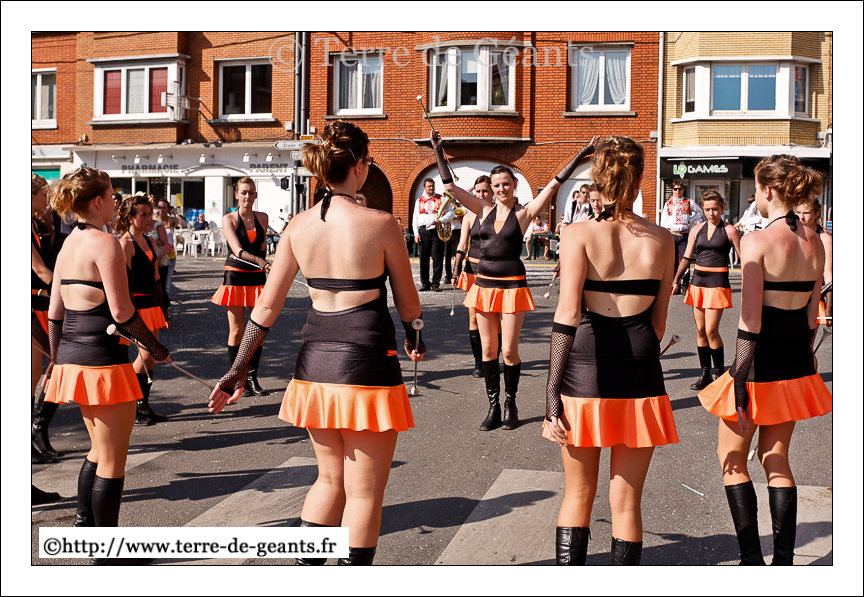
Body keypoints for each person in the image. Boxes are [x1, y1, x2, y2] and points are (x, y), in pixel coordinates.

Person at [208, 121, 424, 566]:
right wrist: (415, 336)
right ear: (359, 165)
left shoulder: (298, 225)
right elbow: (409, 305)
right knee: (364, 491)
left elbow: (265, 309)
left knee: (329, 481)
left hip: (314, 366)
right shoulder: (382, 224)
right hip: (367, 362)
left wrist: (237, 368)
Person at [544, 136, 678, 566]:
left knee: (578, 493)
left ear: (598, 180)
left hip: (585, 368)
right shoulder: (663, 239)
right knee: (627, 501)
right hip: (640, 368)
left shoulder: (578, 233)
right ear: (639, 181)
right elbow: (659, 323)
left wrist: (551, 391)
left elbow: (567, 314)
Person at [698, 155, 832, 566]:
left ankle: (753, 560)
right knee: (776, 459)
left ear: (768, 191)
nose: (756, 196)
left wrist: (738, 381)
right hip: (795, 364)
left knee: (733, 460)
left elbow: (750, 321)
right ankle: (784, 563)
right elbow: (811, 317)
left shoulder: (757, 241)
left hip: (757, 366)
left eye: (756, 189)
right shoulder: (815, 242)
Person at [434, 131, 599, 431]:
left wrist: (582, 153)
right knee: (488, 351)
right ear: (491, 188)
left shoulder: (524, 213)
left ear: (514, 185)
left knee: (508, 351)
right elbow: (449, 187)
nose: (501, 189)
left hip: (512, 287)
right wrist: (438, 149)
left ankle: (511, 403)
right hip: (483, 287)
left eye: (506, 184)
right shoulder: (481, 209)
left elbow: (555, 184)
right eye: (496, 185)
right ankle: (493, 406)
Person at [44, 166, 169, 558]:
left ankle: (85, 528)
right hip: (103, 362)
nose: (117, 202)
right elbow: (122, 312)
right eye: (113, 195)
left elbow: (54, 314)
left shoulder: (69, 243)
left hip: (72, 359)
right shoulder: (106, 243)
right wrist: (155, 347)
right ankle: (106, 552)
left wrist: (55, 360)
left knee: (98, 450)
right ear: (98, 201)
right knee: (113, 458)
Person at [672, 190, 742, 390]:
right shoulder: (696, 229)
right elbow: (686, 258)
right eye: (707, 209)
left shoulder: (730, 230)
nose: (711, 213)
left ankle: (720, 375)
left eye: (715, 209)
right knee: (701, 330)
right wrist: (676, 280)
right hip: (698, 283)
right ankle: (705, 375)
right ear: (702, 209)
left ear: (722, 208)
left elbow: (745, 259)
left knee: (711, 330)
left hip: (717, 283)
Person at [211, 178, 272, 397]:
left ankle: (252, 378)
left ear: (256, 195)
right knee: (236, 330)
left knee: (258, 329)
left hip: (257, 276)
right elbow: (236, 250)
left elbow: (262, 247)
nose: (248, 197)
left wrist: (269, 266)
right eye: (244, 192)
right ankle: (238, 378)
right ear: (236, 194)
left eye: (251, 192)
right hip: (236, 275)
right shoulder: (228, 219)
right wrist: (261, 261)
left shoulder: (262, 217)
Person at [117, 195, 169, 425]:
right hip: (136, 306)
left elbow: (156, 276)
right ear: (130, 218)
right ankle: (134, 405)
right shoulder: (124, 244)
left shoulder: (149, 241)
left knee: (150, 358)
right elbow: (124, 282)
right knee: (146, 353)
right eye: (144, 214)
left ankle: (144, 405)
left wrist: (164, 306)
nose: (150, 219)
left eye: (151, 214)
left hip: (152, 304)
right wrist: (132, 313)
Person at [32, 173, 63, 463]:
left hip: (41, 303)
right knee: (33, 376)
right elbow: (40, 270)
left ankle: (37, 430)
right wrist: (70, 291)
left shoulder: (36, 223)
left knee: (53, 366)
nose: (47, 200)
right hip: (31, 307)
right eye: (44, 194)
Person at [452, 175, 495, 378]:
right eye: (478, 191)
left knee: (494, 316)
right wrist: (456, 268)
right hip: (472, 269)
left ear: (492, 191)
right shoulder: (469, 216)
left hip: (494, 270)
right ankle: (479, 361)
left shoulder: (501, 213)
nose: (481, 194)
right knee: (473, 317)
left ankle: (491, 358)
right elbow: (462, 244)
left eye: (485, 190)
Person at [660, 182, 704, 294]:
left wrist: (690, 220)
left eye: (679, 189)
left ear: (683, 190)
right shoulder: (668, 204)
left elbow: (700, 212)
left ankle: (685, 285)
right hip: (672, 235)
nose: (677, 191)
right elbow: (663, 222)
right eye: (675, 189)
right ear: (672, 190)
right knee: (674, 261)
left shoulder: (688, 202)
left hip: (684, 235)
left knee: (685, 261)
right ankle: (675, 285)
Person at [794, 197, 832, 328]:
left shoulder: (824, 238)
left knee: (808, 337)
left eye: (806, 213)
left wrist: (829, 308)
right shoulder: (792, 234)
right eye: (798, 212)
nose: (801, 217)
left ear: (816, 214)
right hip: (791, 294)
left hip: (815, 295)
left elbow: (828, 275)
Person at [412, 178, 453, 291]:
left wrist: (441, 220)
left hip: (436, 231)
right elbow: (415, 219)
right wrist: (416, 233)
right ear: (424, 187)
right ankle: (425, 283)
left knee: (437, 258)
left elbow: (451, 213)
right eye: (429, 186)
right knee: (423, 259)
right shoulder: (419, 200)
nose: (431, 188)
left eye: (432, 186)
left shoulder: (441, 198)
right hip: (423, 231)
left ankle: (435, 284)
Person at [145, 202, 171, 328]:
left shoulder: (158, 225)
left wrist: (159, 258)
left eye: (149, 213)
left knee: (161, 287)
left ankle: (165, 312)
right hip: (145, 261)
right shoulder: (139, 226)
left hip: (160, 261)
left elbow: (166, 244)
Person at [154, 198, 184, 302]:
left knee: (166, 285)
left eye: (164, 207)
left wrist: (175, 213)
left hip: (169, 255)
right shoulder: (153, 221)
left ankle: (165, 306)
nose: (161, 210)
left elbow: (183, 225)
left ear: (168, 209)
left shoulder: (172, 220)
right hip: (156, 255)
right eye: (159, 207)